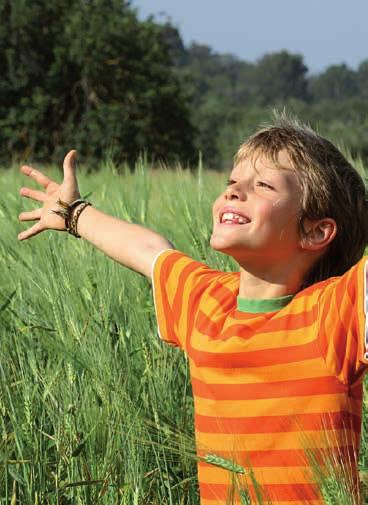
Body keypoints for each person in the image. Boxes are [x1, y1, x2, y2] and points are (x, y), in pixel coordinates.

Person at [18, 116, 368, 505]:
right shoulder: (207, 301)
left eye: (263, 186)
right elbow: (150, 252)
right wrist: (74, 213)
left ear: (316, 231)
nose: (235, 193)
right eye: (232, 184)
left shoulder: (337, 312)